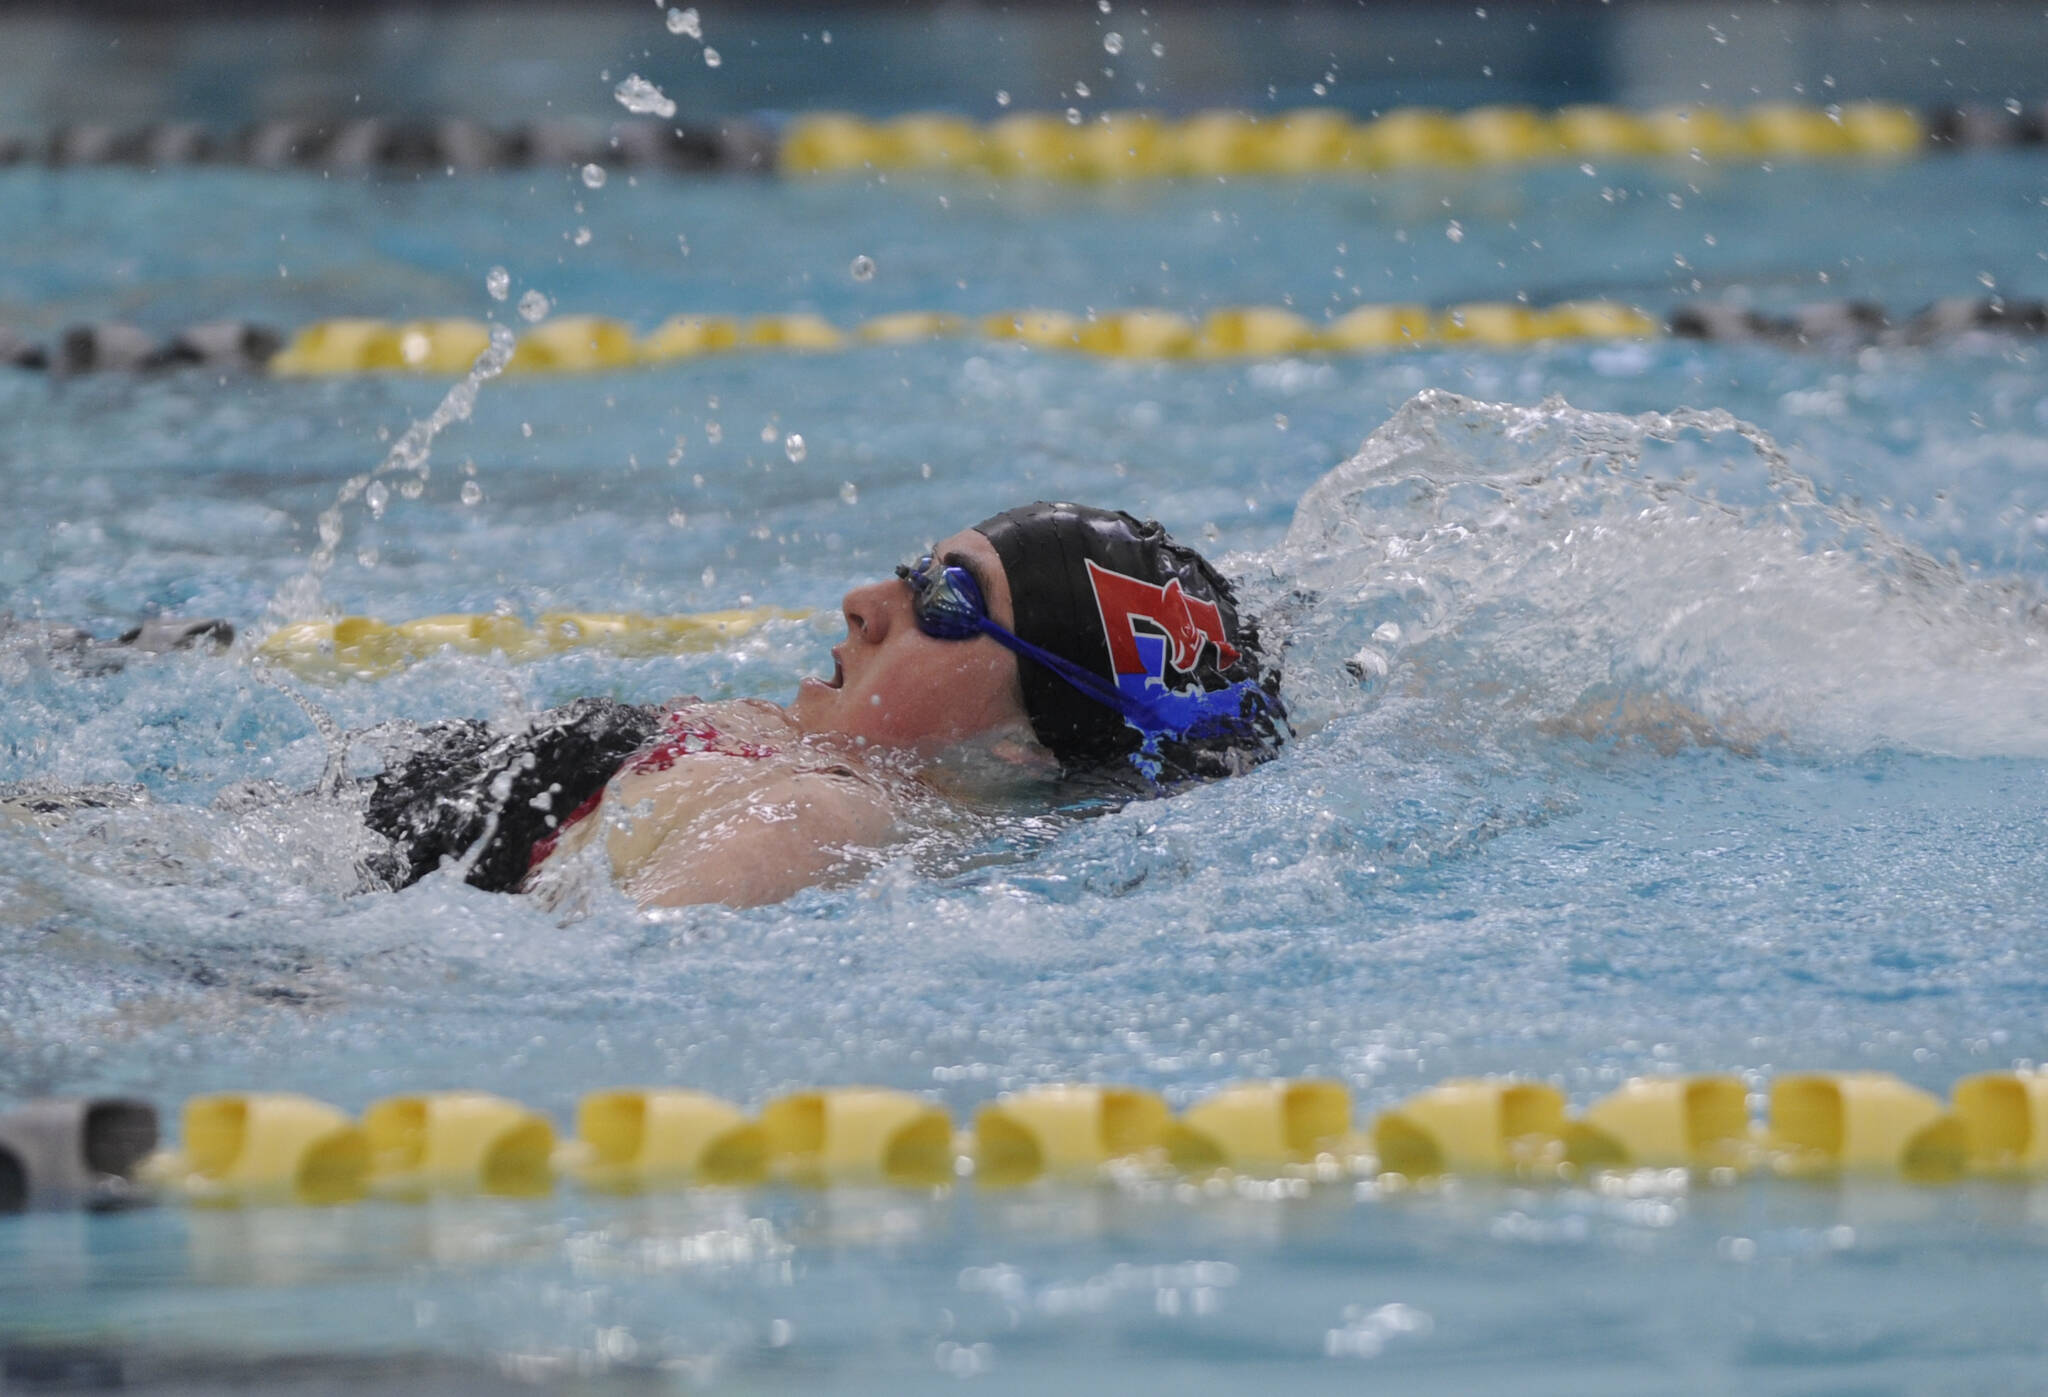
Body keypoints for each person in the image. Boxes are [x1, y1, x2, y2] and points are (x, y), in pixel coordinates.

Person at [362, 501, 1288, 907]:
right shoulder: (823, 785)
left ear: (1028, 747)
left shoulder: (825, 814)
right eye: (912, 574)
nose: (865, 602)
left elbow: (571, 977)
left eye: (947, 606)